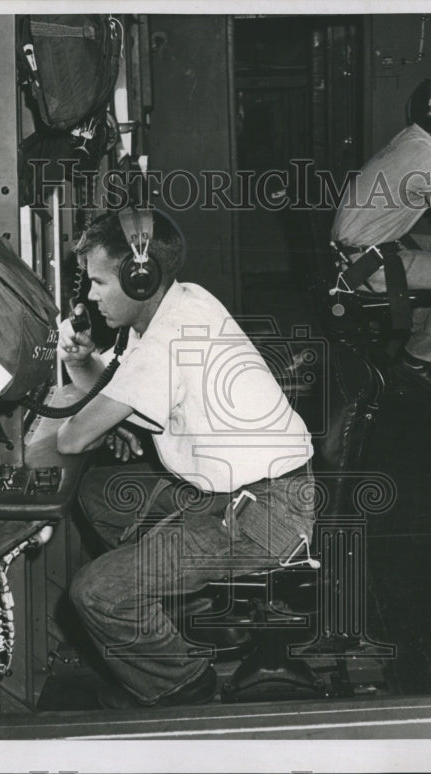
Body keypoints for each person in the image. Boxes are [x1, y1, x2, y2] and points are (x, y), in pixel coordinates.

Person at [56, 209, 315, 709]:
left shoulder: (167, 338)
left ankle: (180, 684)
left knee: (95, 592)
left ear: (139, 278)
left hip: (263, 518)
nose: (90, 296)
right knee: (100, 493)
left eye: (99, 282)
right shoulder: (181, 301)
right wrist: (85, 365)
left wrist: (101, 411)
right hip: (248, 494)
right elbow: (111, 396)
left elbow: (72, 439)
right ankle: (186, 606)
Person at [331, 78, 431, 403]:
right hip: (365, 265)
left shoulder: (412, 139)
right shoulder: (428, 158)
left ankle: (429, 336)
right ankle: (417, 362)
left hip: (354, 251)